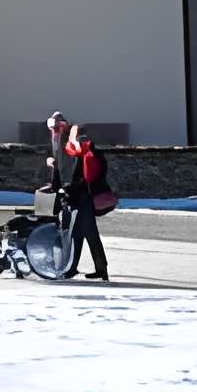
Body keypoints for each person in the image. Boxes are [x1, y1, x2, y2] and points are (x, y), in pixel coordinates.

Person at [56, 120, 113, 282]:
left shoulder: (88, 155)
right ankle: (96, 268)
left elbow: (85, 179)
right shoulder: (92, 153)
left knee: (84, 234)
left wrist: (69, 190)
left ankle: (82, 268)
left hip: (84, 200)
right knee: (81, 234)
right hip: (84, 199)